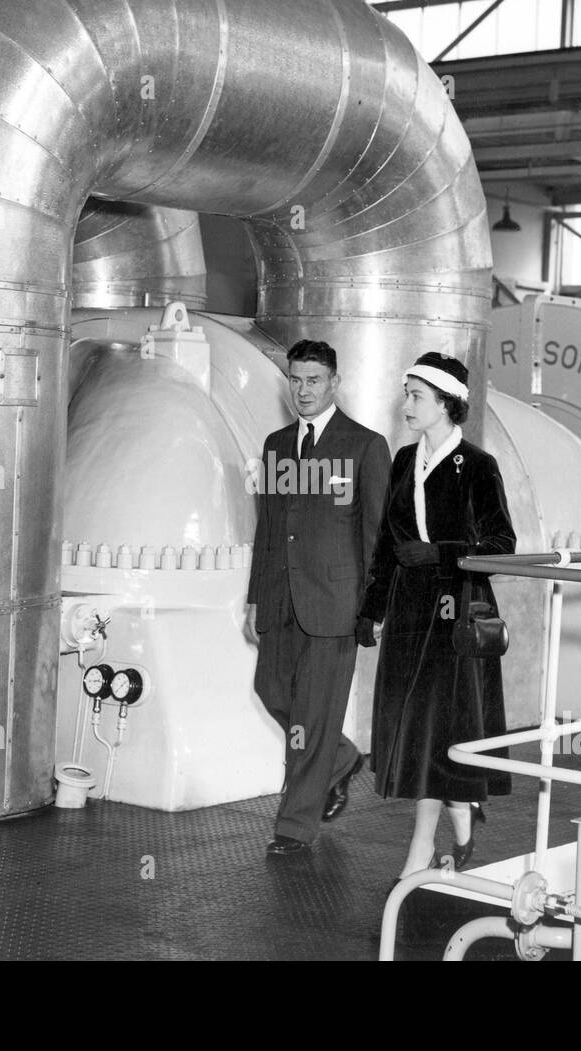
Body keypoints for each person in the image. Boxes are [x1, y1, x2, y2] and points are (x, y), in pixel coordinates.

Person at [357, 351, 515, 880]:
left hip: (456, 612)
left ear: (447, 404)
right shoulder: (404, 460)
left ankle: (426, 844)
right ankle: (456, 820)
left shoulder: (478, 465)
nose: (407, 404)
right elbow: (386, 542)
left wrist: (441, 552)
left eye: (417, 395)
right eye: (407, 393)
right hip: (408, 611)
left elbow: (501, 545)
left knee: (439, 728)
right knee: (418, 731)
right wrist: (372, 608)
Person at [245, 339, 392, 857]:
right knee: (271, 690)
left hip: (337, 602)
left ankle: (294, 826)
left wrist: (374, 607)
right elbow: (268, 528)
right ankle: (340, 759)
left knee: (312, 714)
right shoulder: (276, 444)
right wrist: (255, 599)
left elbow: (377, 534)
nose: (302, 390)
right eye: (295, 380)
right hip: (281, 599)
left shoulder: (365, 446)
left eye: (313, 381)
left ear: (334, 384)